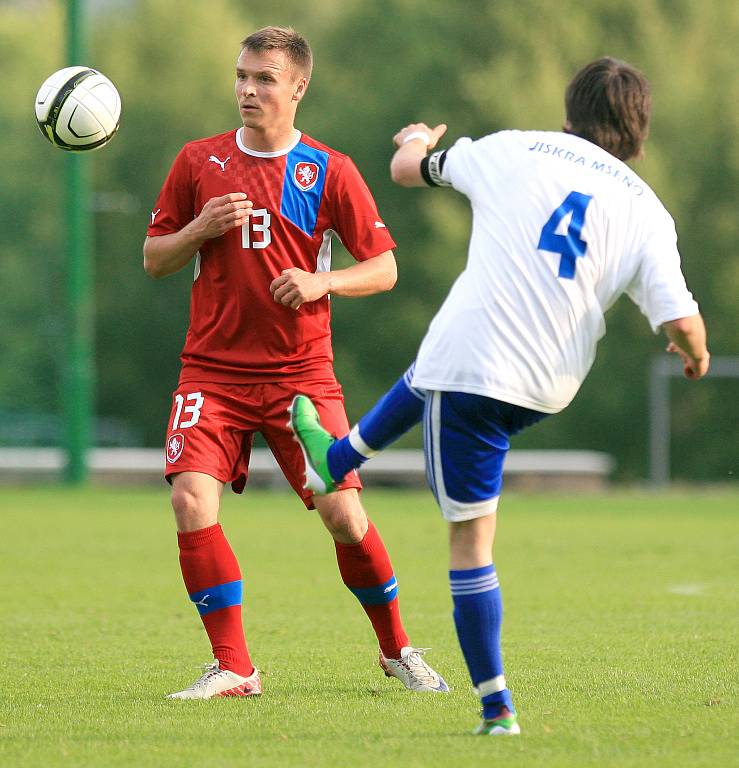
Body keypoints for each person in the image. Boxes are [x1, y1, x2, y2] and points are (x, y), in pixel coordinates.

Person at [289, 57, 709, 734]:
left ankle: (496, 708)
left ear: (568, 113)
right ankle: (334, 459)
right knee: (440, 359)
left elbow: (405, 171)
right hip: (549, 385)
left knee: (469, 536)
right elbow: (681, 322)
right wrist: (695, 358)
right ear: (637, 132)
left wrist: (415, 141)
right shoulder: (645, 208)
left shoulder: (509, 150)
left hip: (475, 371)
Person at [143, 26, 447, 699]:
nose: (248, 90)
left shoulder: (327, 169)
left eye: (265, 79)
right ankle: (234, 667)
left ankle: (397, 650)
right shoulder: (198, 161)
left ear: (298, 87)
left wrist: (323, 283)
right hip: (212, 372)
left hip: (299, 377)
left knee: (343, 513)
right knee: (190, 498)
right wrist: (200, 229)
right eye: (242, 76)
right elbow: (155, 258)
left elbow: (384, 268)